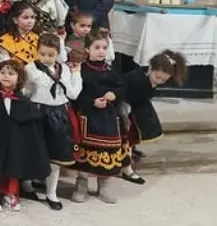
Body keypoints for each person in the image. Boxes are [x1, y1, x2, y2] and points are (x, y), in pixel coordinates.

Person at [0, 60, 50, 213]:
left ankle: (11, 193)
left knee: (14, 162)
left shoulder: (24, 102)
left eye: (11, 73)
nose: (6, 76)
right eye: (3, 73)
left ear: (19, 78)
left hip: (14, 141)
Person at [24, 33, 83, 210]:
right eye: (42, 54)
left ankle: (51, 193)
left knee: (56, 155)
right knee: (33, 151)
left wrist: (76, 74)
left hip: (59, 113)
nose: (46, 58)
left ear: (58, 53)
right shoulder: (30, 68)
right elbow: (25, 93)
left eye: (51, 54)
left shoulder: (64, 69)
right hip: (38, 112)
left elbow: (73, 94)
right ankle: (26, 184)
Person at [73, 30, 130, 205]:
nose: (101, 51)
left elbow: (122, 86)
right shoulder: (82, 70)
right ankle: (81, 186)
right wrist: (92, 102)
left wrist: (114, 94)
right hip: (89, 116)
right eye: (97, 47)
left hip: (109, 117)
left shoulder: (111, 70)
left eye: (104, 48)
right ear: (87, 49)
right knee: (85, 153)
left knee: (108, 151)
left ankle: (103, 187)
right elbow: (76, 93)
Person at [120, 50, 187, 180]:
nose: (159, 81)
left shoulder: (151, 78)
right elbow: (125, 96)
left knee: (136, 132)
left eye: (163, 80)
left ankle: (131, 152)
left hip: (136, 104)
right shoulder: (137, 79)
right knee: (128, 136)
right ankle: (126, 169)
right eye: (157, 77)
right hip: (122, 104)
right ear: (151, 68)